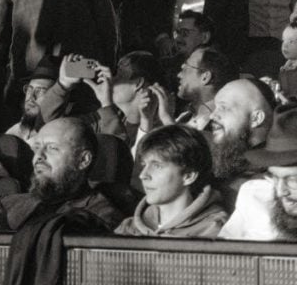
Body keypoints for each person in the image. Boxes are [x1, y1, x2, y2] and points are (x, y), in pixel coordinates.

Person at [0, 118, 123, 232]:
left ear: (83, 160)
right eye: (37, 148)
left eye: (52, 148)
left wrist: (2, 236)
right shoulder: (9, 204)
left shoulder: (102, 217)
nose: (38, 156)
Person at [115, 124, 227, 237]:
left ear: (188, 176)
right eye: (144, 165)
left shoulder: (214, 232)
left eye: (157, 166)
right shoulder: (128, 228)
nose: (143, 175)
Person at [220, 103, 297, 240]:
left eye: (293, 179)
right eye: (274, 177)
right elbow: (222, 249)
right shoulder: (254, 195)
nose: (280, 191)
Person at [207, 78, 273, 205]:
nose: (212, 116)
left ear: (256, 119)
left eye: (224, 107)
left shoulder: (266, 184)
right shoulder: (227, 159)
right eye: (215, 108)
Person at [5, 60, 57, 143]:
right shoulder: (17, 130)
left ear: (56, 97)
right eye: (29, 88)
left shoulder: (57, 135)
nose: (31, 96)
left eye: (40, 91)